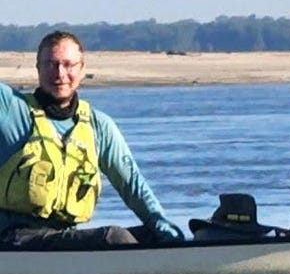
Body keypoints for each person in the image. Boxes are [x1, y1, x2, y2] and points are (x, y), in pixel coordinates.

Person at [0, 30, 183, 248]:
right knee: (114, 238)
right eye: (51, 64)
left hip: (62, 237)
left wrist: (168, 232)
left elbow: (133, 186)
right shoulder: (10, 108)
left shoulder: (98, 126)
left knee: (152, 236)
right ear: (38, 68)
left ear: (82, 69)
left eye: (68, 65)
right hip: (15, 238)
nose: (59, 73)